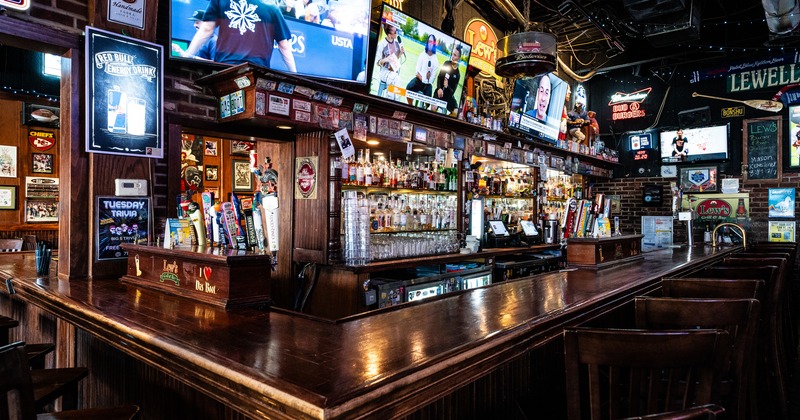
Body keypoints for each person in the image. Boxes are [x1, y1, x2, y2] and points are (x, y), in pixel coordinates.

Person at [183, 0, 296, 72]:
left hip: (225, 69)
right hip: (257, 71)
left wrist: (187, 55)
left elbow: (207, 29)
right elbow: (284, 46)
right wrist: (295, 75)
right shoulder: (272, 8)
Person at [406, 34, 439, 106]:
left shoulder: (435, 60)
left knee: (428, 103)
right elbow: (417, 71)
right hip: (419, 80)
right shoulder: (422, 54)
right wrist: (424, 78)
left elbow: (431, 80)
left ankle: (423, 108)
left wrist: (427, 77)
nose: (430, 44)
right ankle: (411, 106)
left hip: (427, 84)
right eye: (429, 42)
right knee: (408, 88)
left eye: (432, 42)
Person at [374, 23, 405, 100]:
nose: (396, 33)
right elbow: (378, 62)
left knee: (395, 80)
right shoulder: (382, 44)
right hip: (385, 71)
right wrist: (386, 59)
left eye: (396, 31)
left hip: (394, 71)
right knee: (397, 80)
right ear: (389, 34)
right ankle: (396, 101)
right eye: (394, 32)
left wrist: (401, 53)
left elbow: (397, 57)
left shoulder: (397, 43)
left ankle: (392, 100)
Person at [432, 44, 462, 116]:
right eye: (452, 54)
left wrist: (447, 86)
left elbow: (452, 91)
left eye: (455, 55)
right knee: (433, 108)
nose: (452, 56)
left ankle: (443, 121)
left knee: (456, 112)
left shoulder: (457, 74)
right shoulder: (446, 63)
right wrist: (439, 88)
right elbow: (439, 77)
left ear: (458, 58)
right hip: (440, 91)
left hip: (448, 96)